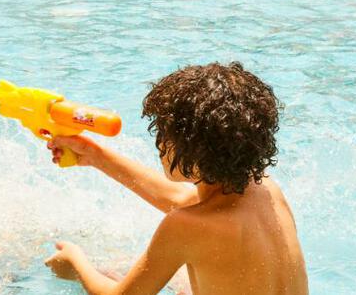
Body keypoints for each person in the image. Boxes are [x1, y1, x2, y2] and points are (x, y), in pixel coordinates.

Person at [43, 62, 308, 295]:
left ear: (192, 148)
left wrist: (75, 263)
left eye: (164, 133)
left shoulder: (184, 227)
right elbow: (185, 201)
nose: (159, 143)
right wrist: (95, 155)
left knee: (110, 273)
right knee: (180, 282)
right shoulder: (266, 189)